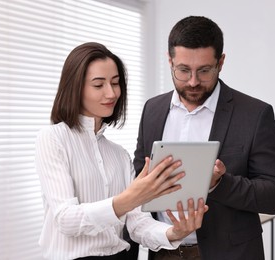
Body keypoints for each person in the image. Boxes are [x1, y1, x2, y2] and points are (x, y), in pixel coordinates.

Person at [34, 42, 209, 260]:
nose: (111, 93)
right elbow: (66, 220)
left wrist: (175, 232)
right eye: (98, 85)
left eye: (115, 83)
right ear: (75, 88)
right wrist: (127, 199)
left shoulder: (119, 155)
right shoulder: (53, 138)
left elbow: (137, 224)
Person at [133, 16, 275, 260]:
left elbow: (274, 196)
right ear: (170, 60)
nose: (193, 82)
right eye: (183, 70)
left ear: (221, 62)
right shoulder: (152, 109)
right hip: (163, 251)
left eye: (204, 70)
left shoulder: (255, 114)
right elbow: (138, 179)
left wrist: (219, 183)